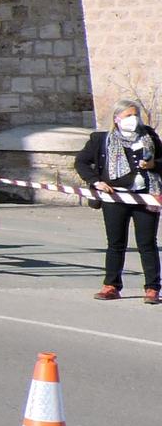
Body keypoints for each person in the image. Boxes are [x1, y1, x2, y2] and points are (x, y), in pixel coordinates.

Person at [76, 98, 161, 303]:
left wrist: (153, 165)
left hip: (145, 195)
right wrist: (96, 182)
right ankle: (111, 285)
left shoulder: (148, 136)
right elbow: (81, 162)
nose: (132, 119)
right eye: (127, 115)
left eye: (135, 115)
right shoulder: (102, 140)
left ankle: (152, 288)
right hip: (115, 197)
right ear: (117, 119)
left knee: (147, 243)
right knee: (116, 243)